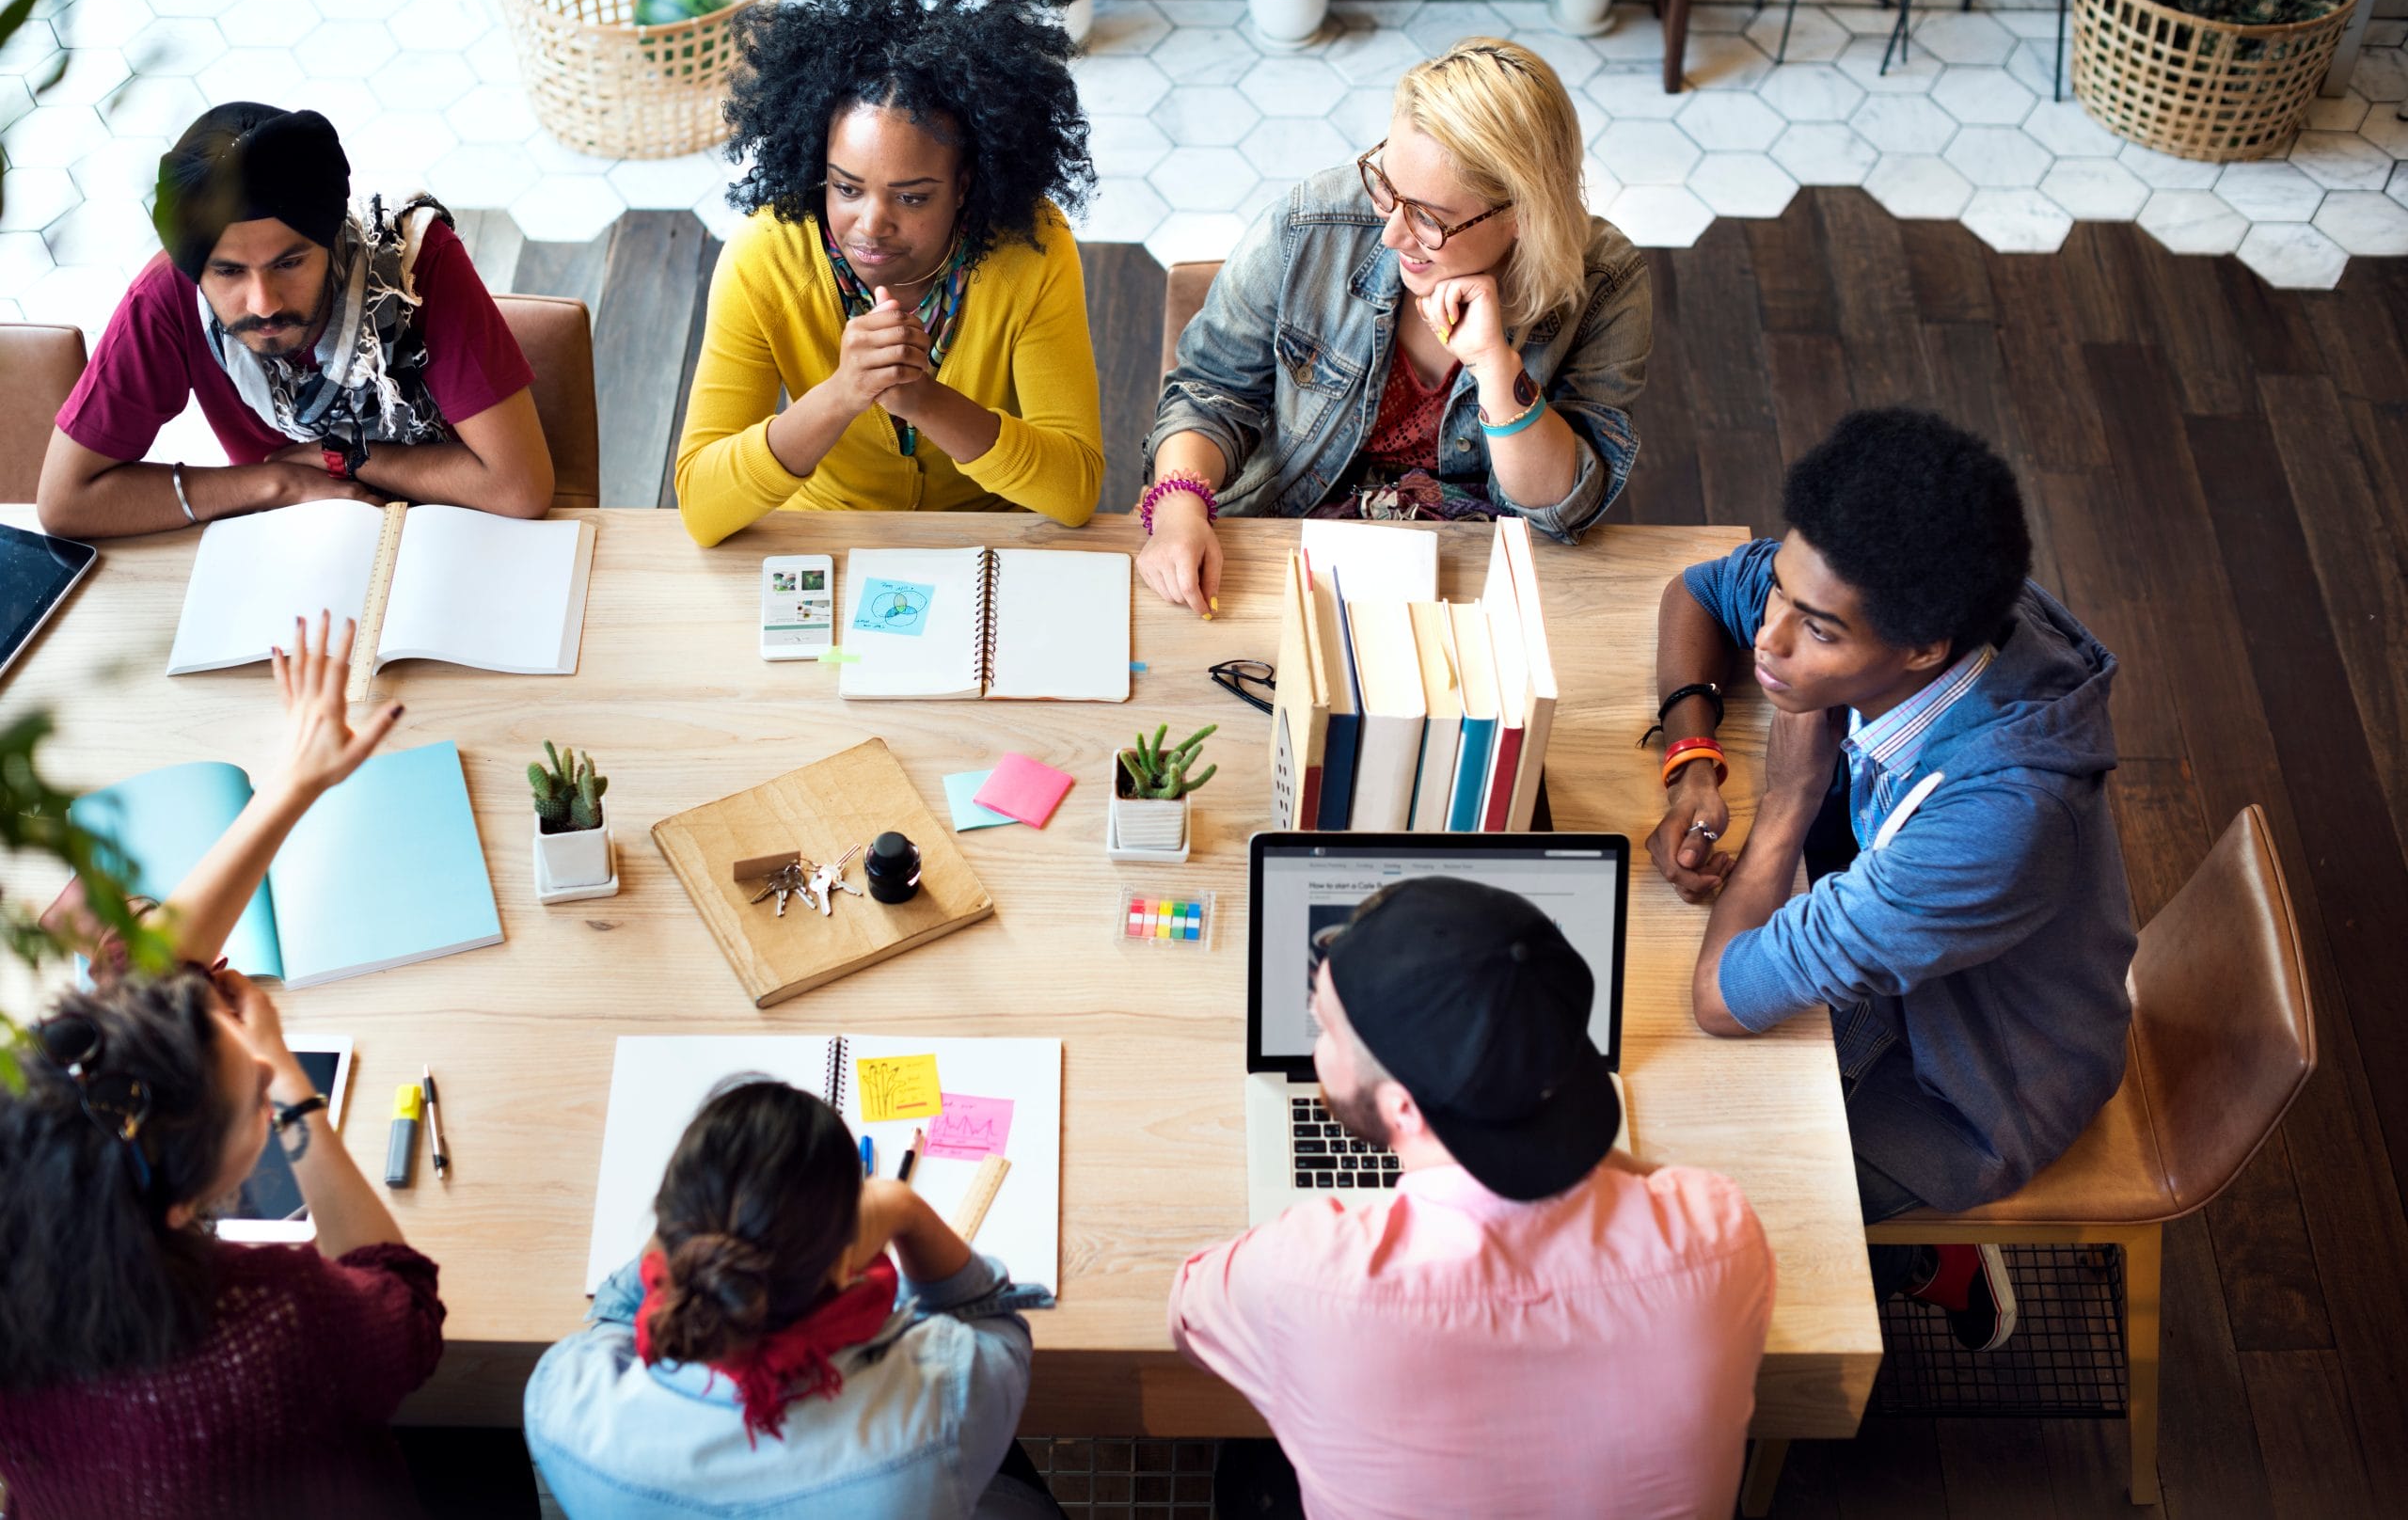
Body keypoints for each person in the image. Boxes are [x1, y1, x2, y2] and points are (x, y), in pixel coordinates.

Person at [1656, 407, 2137, 1351]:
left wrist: (1787, 802)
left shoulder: (1998, 826)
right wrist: (1695, 758)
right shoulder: (1880, 584)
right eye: (1782, 593)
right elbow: (1696, 591)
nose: (1771, 640)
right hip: (1893, 946)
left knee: (1690, 1231)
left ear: (1922, 648)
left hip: (1968, 1079)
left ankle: (1925, 1258)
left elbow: (1720, 994)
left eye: (1817, 630)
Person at [0, 614, 441, 1519]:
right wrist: (293, 1087)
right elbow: (406, 1315)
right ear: (197, 1191)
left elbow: (127, 1023)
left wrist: (292, 783)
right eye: (255, 1107)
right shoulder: (266, 1317)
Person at [1169, 878, 1774, 1520]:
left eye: (1326, 1031)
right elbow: (1646, 1192)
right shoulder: (1720, 1234)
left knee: (1254, 1455)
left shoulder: (1301, 1274)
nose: (1317, 1043)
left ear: (1402, 1107)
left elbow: (1188, 1312)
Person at [1136, 37, 1650, 617]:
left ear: (1523, 218)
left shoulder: (1607, 283)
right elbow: (1212, 392)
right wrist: (1179, 506)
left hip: (1482, 576)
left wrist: (1495, 368)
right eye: (1386, 185)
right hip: (1288, 534)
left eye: (1429, 217)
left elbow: (1562, 506)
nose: (1392, 236)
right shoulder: (1309, 224)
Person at [673, 0, 1104, 546]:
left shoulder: (1033, 250)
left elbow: (1074, 490)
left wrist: (923, 398)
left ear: (964, 185)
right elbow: (701, 508)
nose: (871, 224)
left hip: (990, 537)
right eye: (846, 188)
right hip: (827, 532)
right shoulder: (765, 259)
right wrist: (843, 392)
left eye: (912, 197)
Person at [525, 1077, 1060, 1518]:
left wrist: (694, 1217)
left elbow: (616, 1317)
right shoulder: (944, 1395)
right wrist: (904, 1208)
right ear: (843, 1263)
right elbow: (995, 1326)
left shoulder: (563, 1401)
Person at [36, 103, 553, 540]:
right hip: (296, 537)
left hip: (458, 531)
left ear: (331, 240)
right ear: (195, 270)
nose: (262, 303)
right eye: (228, 271)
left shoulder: (414, 265)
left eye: (288, 263)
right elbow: (65, 500)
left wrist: (342, 458)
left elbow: (519, 487)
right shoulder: (168, 298)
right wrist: (277, 484)